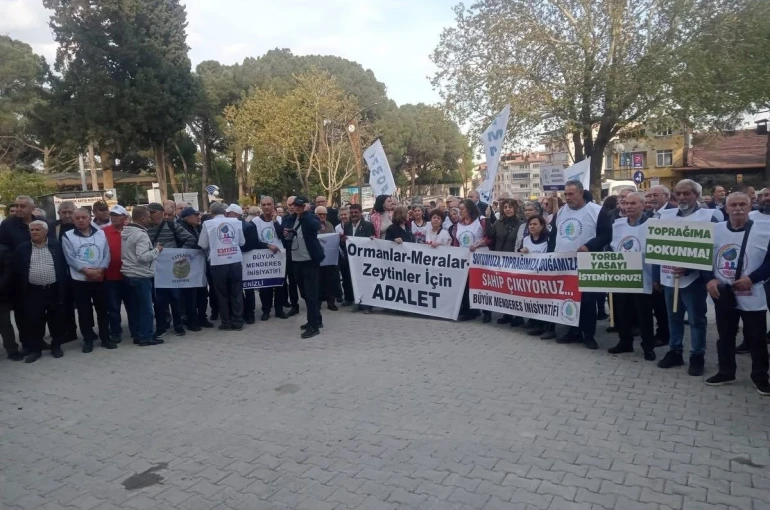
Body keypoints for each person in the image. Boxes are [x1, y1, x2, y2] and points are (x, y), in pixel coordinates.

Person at [705, 192, 770, 395]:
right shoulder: (714, 230)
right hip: (723, 292)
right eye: (733, 204)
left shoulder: (764, 231)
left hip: (752, 292)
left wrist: (752, 278)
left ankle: (760, 376)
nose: (738, 208)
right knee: (725, 335)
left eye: (743, 204)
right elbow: (703, 257)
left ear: (751, 207)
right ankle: (726, 371)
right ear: (726, 208)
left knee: (756, 337)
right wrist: (709, 278)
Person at [655, 179, 720, 376]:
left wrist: (690, 267)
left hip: (694, 280)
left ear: (696, 195)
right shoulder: (664, 217)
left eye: (687, 193)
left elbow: (713, 249)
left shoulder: (709, 217)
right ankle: (675, 351)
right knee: (673, 316)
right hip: (669, 277)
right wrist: (657, 275)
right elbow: (657, 247)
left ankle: (697, 355)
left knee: (696, 319)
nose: (682, 197)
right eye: (679, 193)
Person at [548, 180, 610, 349]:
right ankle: (573, 332)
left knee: (588, 300)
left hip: (586, 263)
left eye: (571, 194)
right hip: (564, 265)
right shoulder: (561, 212)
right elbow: (554, 236)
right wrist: (549, 255)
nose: (567, 198)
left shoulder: (596, 211)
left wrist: (589, 246)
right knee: (569, 297)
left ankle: (588, 334)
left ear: (581, 192)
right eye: (565, 194)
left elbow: (606, 236)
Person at [606, 192, 656, 360]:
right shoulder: (618, 225)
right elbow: (612, 247)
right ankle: (625, 342)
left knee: (644, 314)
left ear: (642, 205)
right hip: (622, 276)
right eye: (626, 203)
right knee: (622, 312)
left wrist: (656, 277)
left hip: (644, 277)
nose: (628, 207)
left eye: (633, 203)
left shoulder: (652, 224)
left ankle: (648, 346)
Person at [12, 221, 69, 362]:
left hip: (53, 289)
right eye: (32, 230)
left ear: (45, 231)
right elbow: (17, 271)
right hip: (33, 291)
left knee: (55, 319)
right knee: (34, 321)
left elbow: (63, 266)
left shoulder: (56, 245)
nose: (34, 232)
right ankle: (35, 350)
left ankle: (56, 346)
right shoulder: (22, 249)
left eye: (38, 229)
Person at [62, 208, 113, 353]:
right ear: (73, 220)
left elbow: (106, 253)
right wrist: (87, 272)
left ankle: (105, 337)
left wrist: (100, 270)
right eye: (77, 218)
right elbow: (70, 257)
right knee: (84, 312)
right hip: (80, 279)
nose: (80, 220)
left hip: (100, 277)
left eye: (83, 217)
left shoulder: (101, 233)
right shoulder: (68, 236)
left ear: (89, 218)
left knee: (103, 310)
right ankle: (88, 340)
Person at [148, 202, 197, 336]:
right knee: (158, 300)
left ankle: (178, 325)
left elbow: (190, 239)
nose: (150, 215)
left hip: (172, 269)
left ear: (160, 212)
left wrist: (179, 254)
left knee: (176, 298)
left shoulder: (170, 225)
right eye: (149, 212)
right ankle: (161, 326)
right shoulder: (145, 228)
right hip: (155, 269)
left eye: (152, 212)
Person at [199, 202, 246, 331]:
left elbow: (202, 244)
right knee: (236, 291)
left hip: (217, 262)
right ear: (224, 211)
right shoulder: (236, 222)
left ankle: (226, 321)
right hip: (235, 260)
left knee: (222, 293)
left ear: (211, 212)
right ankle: (238, 321)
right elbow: (242, 241)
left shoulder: (207, 224)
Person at [283, 196, 325, 338]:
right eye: (295, 205)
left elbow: (316, 227)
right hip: (296, 260)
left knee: (311, 294)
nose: (297, 207)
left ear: (305, 206)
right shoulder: (290, 218)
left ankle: (313, 327)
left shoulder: (310, 218)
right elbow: (284, 230)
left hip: (309, 261)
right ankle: (316, 319)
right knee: (305, 294)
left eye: (300, 205)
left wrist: (305, 214)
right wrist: (285, 233)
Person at [122, 206, 163, 346]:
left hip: (129, 274)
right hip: (141, 275)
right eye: (148, 217)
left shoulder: (126, 232)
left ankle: (138, 334)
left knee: (135, 308)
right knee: (146, 309)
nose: (150, 220)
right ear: (143, 218)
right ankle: (146, 336)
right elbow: (142, 257)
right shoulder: (140, 235)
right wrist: (157, 250)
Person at [102, 205, 134, 344]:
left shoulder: (131, 231)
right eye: (112, 215)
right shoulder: (103, 232)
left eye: (117, 215)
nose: (114, 217)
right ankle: (116, 332)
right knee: (113, 308)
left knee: (132, 306)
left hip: (130, 274)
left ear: (125, 217)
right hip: (111, 276)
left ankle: (135, 330)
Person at [452, 200, 489, 321]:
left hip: (480, 258)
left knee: (481, 284)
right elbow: (456, 241)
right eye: (459, 209)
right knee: (466, 285)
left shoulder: (481, 220)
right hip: (464, 258)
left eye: (462, 209)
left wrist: (478, 244)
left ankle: (487, 312)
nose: (460, 211)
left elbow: (489, 237)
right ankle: (469, 310)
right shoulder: (459, 224)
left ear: (469, 209)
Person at [486, 198, 522, 325]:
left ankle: (518, 317)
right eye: (505, 207)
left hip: (515, 261)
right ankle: (507, 314)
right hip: (500, 261)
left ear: (515, 209)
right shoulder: (498, 223)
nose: (508, 209)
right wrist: (488, 218)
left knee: (515, 289)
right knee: (504, 289)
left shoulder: (521, 224)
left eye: (510, 207)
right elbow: (490, 234)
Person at [178, 207, 214, 331]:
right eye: (196, 215)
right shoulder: (180, 227)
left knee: (202, 293)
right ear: (188, 217)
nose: (199, 217)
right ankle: (191, 320)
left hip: (200, 266)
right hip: (187, 266)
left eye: (199, 215)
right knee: (190, 295)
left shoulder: (199, 227)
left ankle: (202, 318)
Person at [251, 196, 287, 321]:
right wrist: (267, 245)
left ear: (273, 206)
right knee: (265, 287)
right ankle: (266, 310)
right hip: (263, 258)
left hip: (278, 257)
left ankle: (279, 310)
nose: (266, 207)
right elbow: (253, 240)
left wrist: (275, 221)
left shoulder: (280, 219)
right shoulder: (255, 221)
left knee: (280, 285)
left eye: (269, 204)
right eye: (264, 204)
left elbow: (282, 235)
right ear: (261, 206)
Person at [519, 215, 552, 337]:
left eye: (535, 224)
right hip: (530, 277)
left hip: (544, 277)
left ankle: (545, 326)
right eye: (530, 224)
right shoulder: (526, 239)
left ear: (542, 226)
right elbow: (519, 253)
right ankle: (534, 321)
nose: (532, 226)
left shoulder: (548, 239)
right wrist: (521, 251)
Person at [341, 204, 375, 311]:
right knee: (352, 279)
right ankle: (355, 300)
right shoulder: (346, 225)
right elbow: (346, 242)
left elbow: (371, 242)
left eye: (356, 212)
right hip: (350, 258)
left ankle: (367, 304)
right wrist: (343, 240)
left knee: (364, 281)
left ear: (360, 213)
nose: (353, 214)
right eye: (351, 212)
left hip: (363, 259)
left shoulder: (368, 225)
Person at [315, 205, 339, 311]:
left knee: (330, 281)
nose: (322, 216)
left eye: (324, 214)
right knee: (318, 282)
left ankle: (331, 303)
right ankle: (318, 303)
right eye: (319, 214)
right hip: (317, 258)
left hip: (329, 259)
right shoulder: (313, 225)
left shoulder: (329, 225)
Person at [282, 196, 300, 315]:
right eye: (290, 205)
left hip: (302, 254)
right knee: (291, 281)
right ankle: (294, 305)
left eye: (294, 204)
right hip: (288, 254)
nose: (292, 206)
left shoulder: (303, 217)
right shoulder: (284, 219)